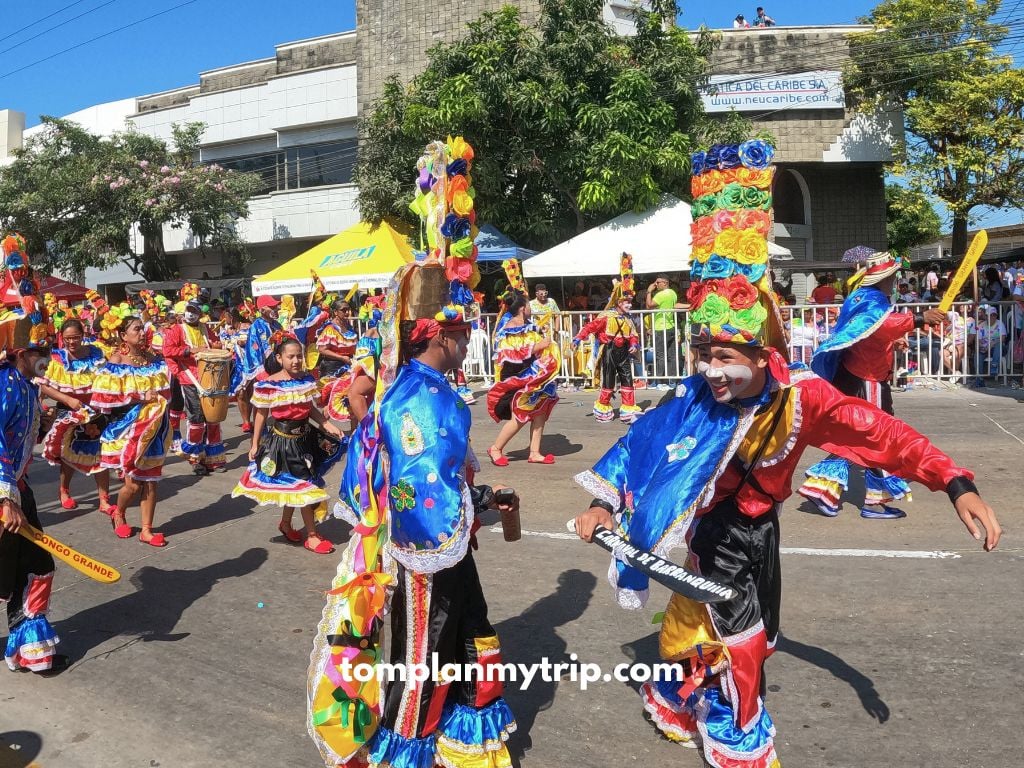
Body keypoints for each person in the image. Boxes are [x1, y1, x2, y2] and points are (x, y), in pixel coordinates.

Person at [571, 140, 1001, 768]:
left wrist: (955, 482)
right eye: (704, 355)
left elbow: (883, 435)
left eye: (725, 358)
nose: (710, 372)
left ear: (760, 353)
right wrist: (602, 505)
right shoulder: (694, 395)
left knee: (743, 634)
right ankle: (742, 735)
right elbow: (640, 441)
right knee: (740, 638)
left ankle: (691, 693)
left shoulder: (805, 399)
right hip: (710, 532)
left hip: (759, 533)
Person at [309, 261, 517, 768]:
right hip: (425, 548)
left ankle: (464, 744)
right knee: (426, 656)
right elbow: (422, 485)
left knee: (468, 634)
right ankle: (407, 753)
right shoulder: (422, 397)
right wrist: (483, 502)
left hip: (443, 544)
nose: (469, 345)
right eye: (464, 335)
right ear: (442, 336)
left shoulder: (417, 386)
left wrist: (479, 500)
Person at [799, 252, 947, 519]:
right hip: (866, 376)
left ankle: (822, 489)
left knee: (855, 434)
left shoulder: (861, 296)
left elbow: (866, 333)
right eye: (893, 276)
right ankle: (871, 501)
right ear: (885, 278)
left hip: (858, 372)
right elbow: (879, 325)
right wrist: (919, 318)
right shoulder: (872, 299)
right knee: (877, 435)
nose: (895, 280)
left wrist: (892, 341)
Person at [233, 335, 345, 554]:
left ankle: (285, 524)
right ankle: (311, 535)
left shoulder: (306, 379)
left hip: (305, 439)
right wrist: (254, 443)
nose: (296, 361)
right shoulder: (268, 384)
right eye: (290, 356)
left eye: (299, 356)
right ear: (279, 358)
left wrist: (326, 424)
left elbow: (309, 408)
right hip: (283, 442)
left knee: (294, 485)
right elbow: (261, 415)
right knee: (303, 485)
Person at [90, 315, 173, 547]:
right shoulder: (117, 360)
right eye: (136, 329)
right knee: (133, 484)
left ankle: (147, 530)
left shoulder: (153, 359)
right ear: (123, 335)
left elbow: (165, 391)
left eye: (143, 328)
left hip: (154, 427)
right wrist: (139, 397)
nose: (142, 333)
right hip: (128, 429)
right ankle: (119, 512)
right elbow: (104, 398)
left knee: (152, 481)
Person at [38, 319, 113, 513]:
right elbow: (44, 385)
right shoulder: (56, 358)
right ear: (62, 338)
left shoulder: (96, 353)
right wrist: (68, 400)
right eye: (68, 338)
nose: (72, 342)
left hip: (96, 411)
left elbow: (108, 376)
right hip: (69, 411)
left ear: (83, 336)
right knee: (67, 455)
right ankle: (64, 491)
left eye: (76, 338)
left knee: (100, 454)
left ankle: (104, 499)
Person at [486, 290, 560, 466]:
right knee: (521, 414)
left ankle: (534, 452)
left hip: (533, 374)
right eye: (527, 305)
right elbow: (514, 354)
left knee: (540, 411)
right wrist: (539, 346)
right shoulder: (510, 329)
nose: (530, 308)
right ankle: (496, 448)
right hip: (516, 376)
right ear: (521, 308)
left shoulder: (529, 324)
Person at [161, 298, 225, 475]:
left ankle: (213, 458)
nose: (190, 313)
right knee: (196, 418)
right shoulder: (177, 330)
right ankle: (195, 458)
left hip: (209, 378)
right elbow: (167, 351)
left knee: (212, 418)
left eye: (194, 310)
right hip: (189, 379)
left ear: (200, 314)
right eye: (188, 309)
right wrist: (190, 351)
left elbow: (215, 344)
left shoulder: (206, 329)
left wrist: (217, 345)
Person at [574, 284, 642, 424]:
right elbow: (590, 327)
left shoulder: (628, 319)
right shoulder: (606, 317)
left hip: (624, 351)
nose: (629, 305)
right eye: (626, 302)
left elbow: (633, 335)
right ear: (619, 303)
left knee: (627, 378)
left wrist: (634, 345)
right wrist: (578, 338)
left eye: (630, 302)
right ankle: (604, 408)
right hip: (609, 350)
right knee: (608, 379)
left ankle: (628, 410)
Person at [237, 295, 283, 433]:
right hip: (260, 367)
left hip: (276, 366)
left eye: (276, 306)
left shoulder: (277, 324)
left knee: (276, 397)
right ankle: (258, 429)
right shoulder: (256, 326)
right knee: (260, 399)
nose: (276, 309)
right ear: (262, 309)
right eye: (272, 306)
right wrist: (260, 370)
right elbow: (253, 349)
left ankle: (275, 426)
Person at [646, 274, 679, 385]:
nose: (656, 284)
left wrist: (649, 291)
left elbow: (649, 305)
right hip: (670, 326)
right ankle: (672, 381)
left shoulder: (660, 295)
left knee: (660, 355)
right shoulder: (673, 293)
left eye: (658, 282)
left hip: (661, 327)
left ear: (665, 283)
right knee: (671, 355)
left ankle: (658, 381)